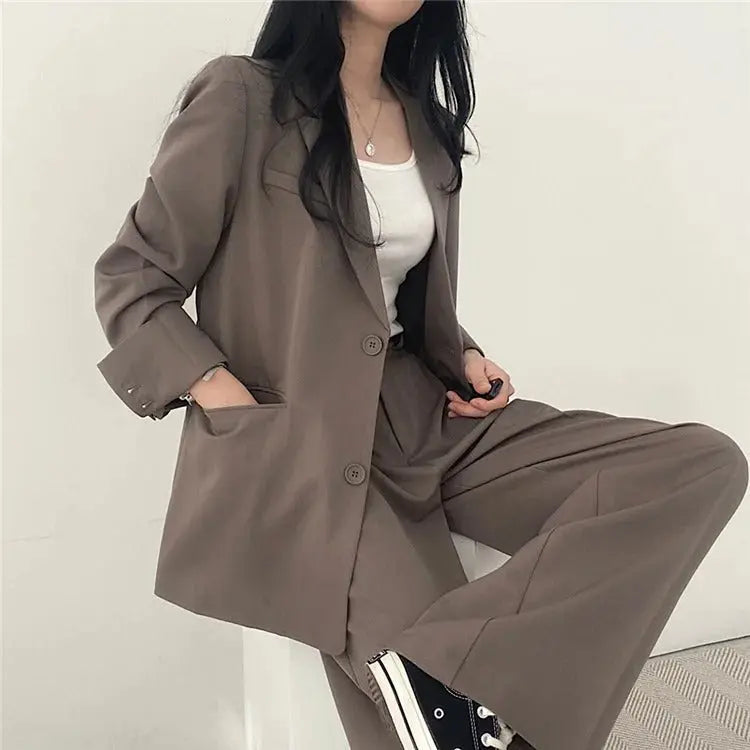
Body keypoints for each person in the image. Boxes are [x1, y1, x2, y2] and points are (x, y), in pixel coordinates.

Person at [92, 2, 749, 749]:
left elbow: (389, 300)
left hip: (429, 415)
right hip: (300, 439)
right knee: (439, 722)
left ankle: (449, 683)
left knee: (699, 468)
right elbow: (132, 278)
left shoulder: (426, 126)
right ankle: (457, 700)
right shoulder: (243, 97)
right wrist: (224, 395)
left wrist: (460, 356)